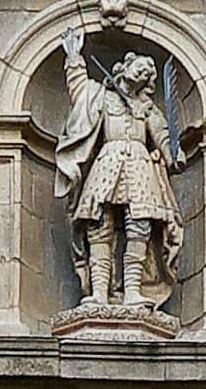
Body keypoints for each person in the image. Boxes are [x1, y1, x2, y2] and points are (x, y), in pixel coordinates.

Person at [53, 27, 184, 308]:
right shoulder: (100, 96)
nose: (145, 73)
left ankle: (134, 291)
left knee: (140, 227)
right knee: (99, 225)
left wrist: (174, 155)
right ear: (124, 68)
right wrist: (74, 58)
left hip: (139, 166)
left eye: (149, 72)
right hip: (107, 163)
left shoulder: (146, 108)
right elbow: (79, 91)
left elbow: (162, 134)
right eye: (140, 67)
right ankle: (99, 291)